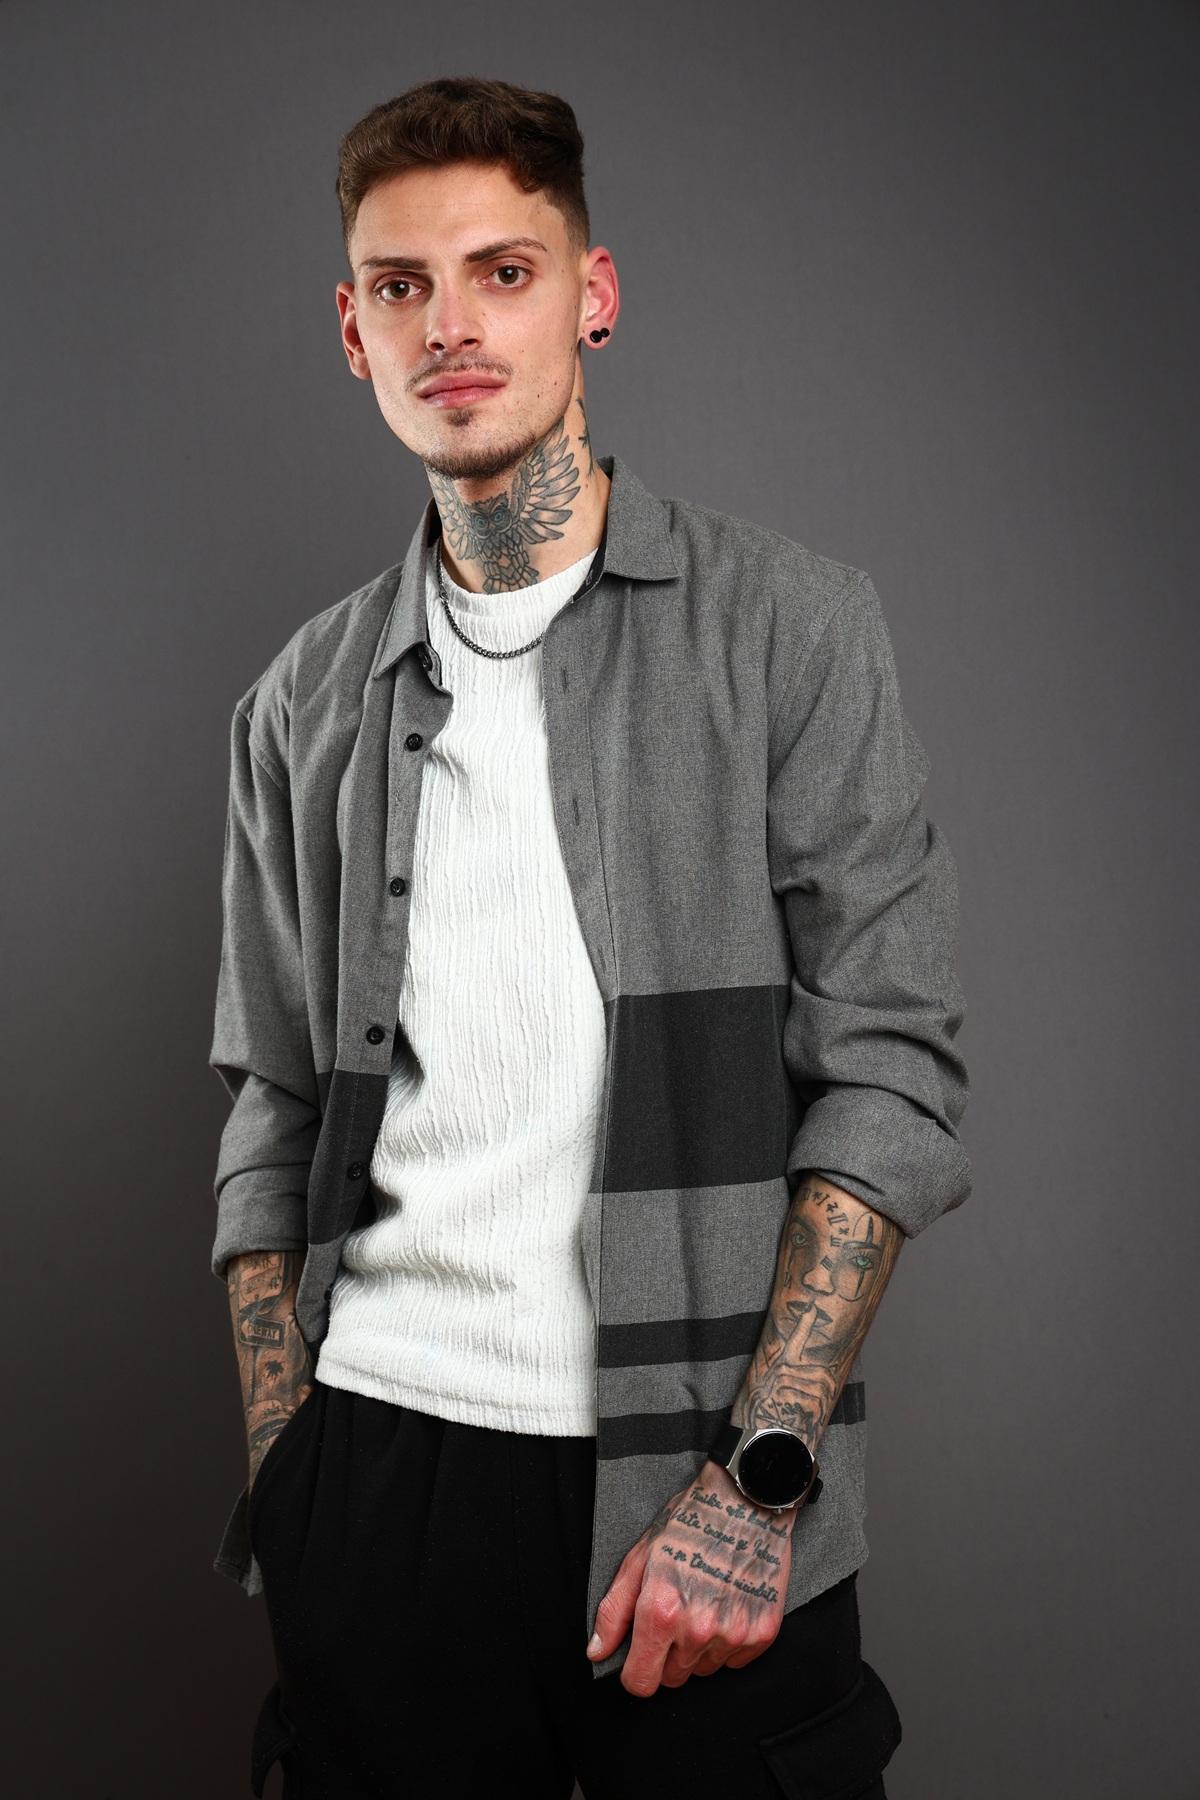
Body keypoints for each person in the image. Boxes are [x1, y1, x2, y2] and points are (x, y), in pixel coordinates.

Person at [208, 74, 971, 1800]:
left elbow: (892, 1072)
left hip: (694, 1462)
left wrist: (759, 1478)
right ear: (352, 331)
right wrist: (289, 1471)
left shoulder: (789, 631)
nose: (451, 326)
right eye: (401, 286)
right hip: (380, 1488)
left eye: (505, 271)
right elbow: (269, 1107)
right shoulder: (296, 708)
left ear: (592, 297)